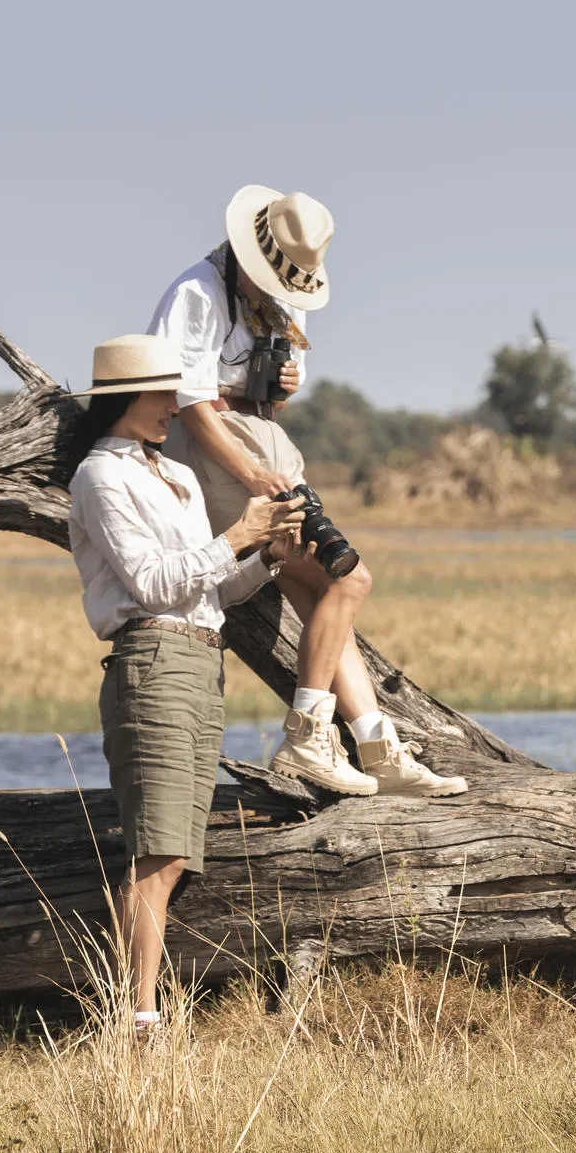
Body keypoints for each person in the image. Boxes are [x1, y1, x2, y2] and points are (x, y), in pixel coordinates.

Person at [148, 185, 464, 798]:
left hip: (261, 441)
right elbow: (186, 399)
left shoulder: (276, 301)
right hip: (220, 449)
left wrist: (285, 383)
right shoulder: (197, 291)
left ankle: (374, 746)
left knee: (326, 588)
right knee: (350, 578)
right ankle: (308, 738)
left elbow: (273, 400)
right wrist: (248, 474)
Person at [63, 335, 304, 1037]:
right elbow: (155, 584)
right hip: (154, 659)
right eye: (164, 394)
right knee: (159, 849)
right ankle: (140, 1019)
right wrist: (237, 536)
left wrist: (268, 552)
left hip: (201, 659)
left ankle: (140, 1006)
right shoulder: (99, 479)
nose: (176, 407)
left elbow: (213, 589)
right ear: (124, 398)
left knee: (178, 849)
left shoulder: (177, 476)